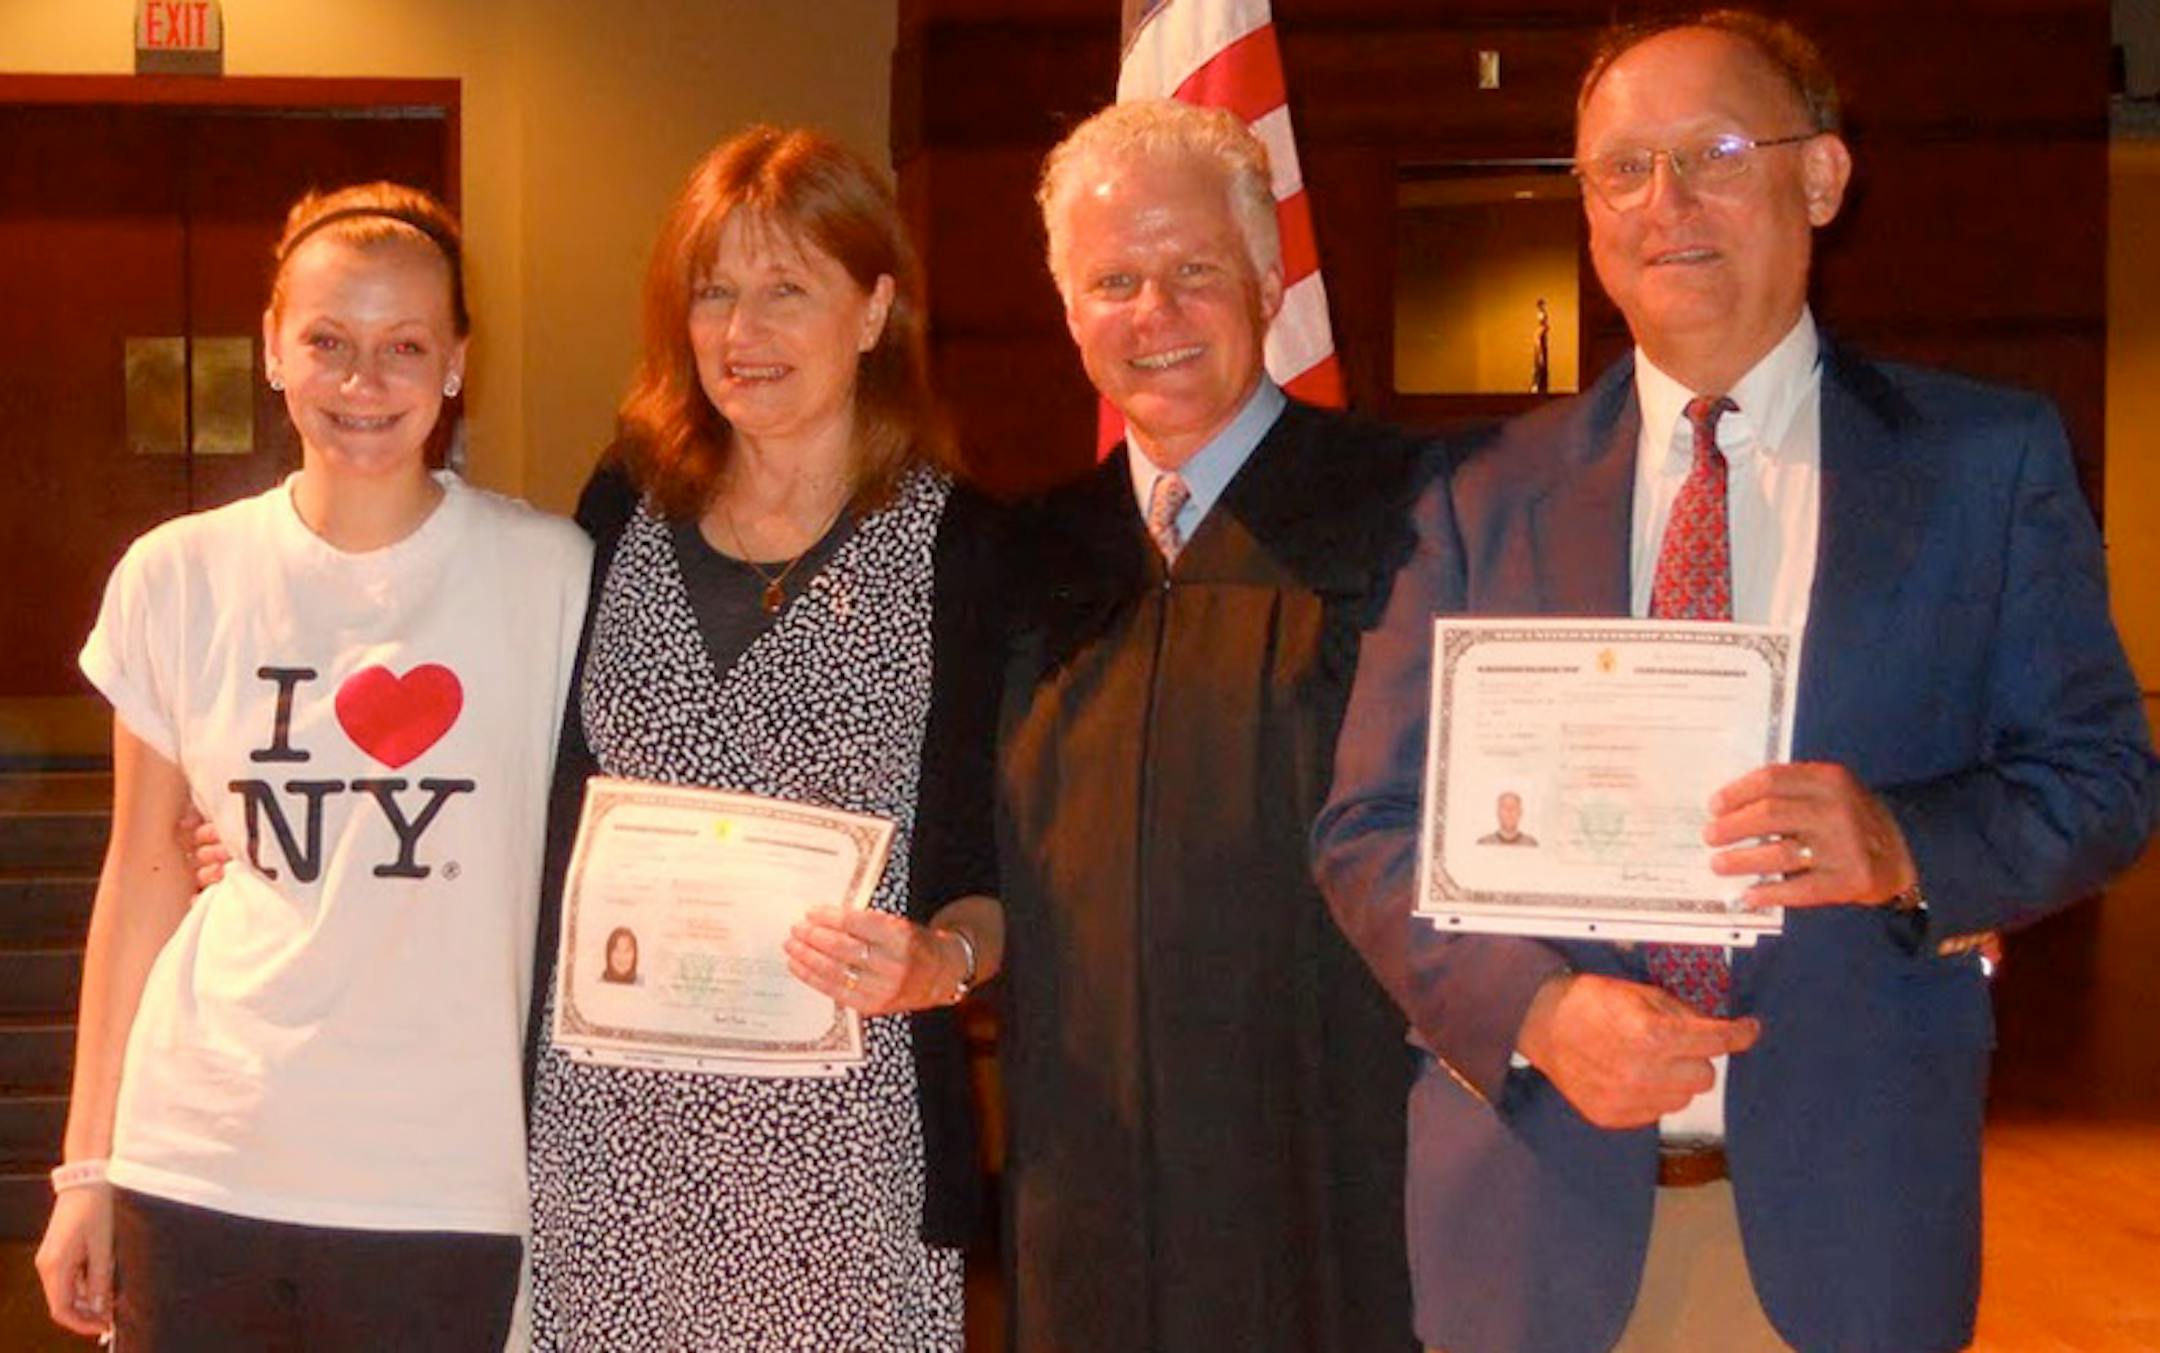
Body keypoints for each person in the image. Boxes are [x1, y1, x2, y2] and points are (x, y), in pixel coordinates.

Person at [1314, 12, 2159, 1352]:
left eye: (1711, 151)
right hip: (1534, 1219)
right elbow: (1367, 830)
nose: (1667, 205)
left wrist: (1904, 842)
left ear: (1820, 178)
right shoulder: (1478, 496)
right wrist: (1534, 1007)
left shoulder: (1981, 467)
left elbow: (2102, 781)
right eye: (1620, 170)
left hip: (1848, 1224)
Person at [34, 183, 591, 1349]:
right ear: (274, 351)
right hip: (200, 1158)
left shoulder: (551, 577)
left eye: (405, 348)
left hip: (444, 1183)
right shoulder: (177, 576)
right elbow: (139, 875)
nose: (363, 383)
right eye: (329, 343)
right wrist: (87, 1163)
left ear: (456, 367)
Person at [522, 125, 1004, 1350]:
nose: (744, 331)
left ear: (873, 306)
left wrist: (939, 964)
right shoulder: (620, 502)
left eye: (787, 288)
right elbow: (524, 768)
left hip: (844, 1147)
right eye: (715, 292)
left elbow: (1007, 867)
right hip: (608, 1132)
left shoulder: (969, 554)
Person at [996, 99, 1422, 1352]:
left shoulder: (1414, 521)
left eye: (1193, 272)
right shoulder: (1025, 559)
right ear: (1070, 309)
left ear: (1269, 275)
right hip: (1090, 1178)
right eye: (1112, 280)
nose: (1153, 314)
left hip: (1330, 1159)